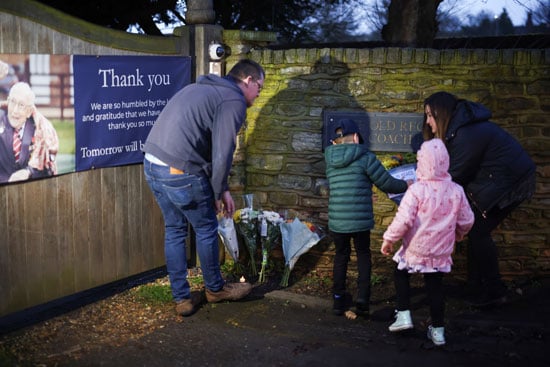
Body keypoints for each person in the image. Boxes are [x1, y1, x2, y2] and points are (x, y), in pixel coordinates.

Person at [142, 59, 265, 316]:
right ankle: (215, 289)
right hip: (180, 170)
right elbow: (222, 152)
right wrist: (218, 192)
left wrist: (223, 188)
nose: (258, 95)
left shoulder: (201, 89)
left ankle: (182, 299)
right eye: (260, 88)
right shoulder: (233, 100)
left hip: (152, 163)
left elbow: (206, 145)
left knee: (175, 229)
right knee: (206, 227)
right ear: (248, 81)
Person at [422, 91, 536, 308]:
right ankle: (476, 285)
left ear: (442, 113)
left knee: (478, 231)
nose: (427, 122)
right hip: (495, 180)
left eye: (430, 115)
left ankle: (495, 290)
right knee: (473, 229)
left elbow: (455, 174)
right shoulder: (460, 129)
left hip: (512, 182)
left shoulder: (466, 133)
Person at [381, 138, 474, 346]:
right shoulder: (456, 190)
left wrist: (389, 240)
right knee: (435, 287)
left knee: (400, 273)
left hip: (415, 247)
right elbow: (467, 220)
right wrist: (459, 234)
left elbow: (403, 220)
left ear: (421, 163)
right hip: (441, 250)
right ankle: (438, 331)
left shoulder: (416, 190)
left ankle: (403, 315)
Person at [324, 118, 409, 318]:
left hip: (337, 220)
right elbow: (387, 183)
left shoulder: (329, 160)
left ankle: (337, 301)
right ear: (355, 137)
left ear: (334, 142)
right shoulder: (364, 157)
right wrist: (408, 184)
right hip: (360, 219)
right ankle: (362, 299)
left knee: (341, 256)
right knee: (363, 255)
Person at [0, 81, 59, 183]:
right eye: (12, 102)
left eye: (21, 105)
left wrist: (28, 172)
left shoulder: (41, 130)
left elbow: (47, 168)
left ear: (29, 111)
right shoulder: (1, 121)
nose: (15, 111)